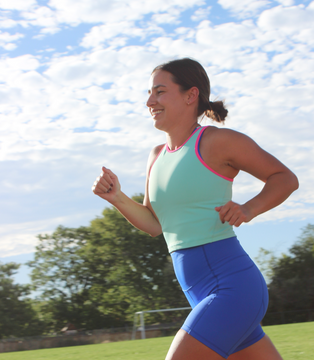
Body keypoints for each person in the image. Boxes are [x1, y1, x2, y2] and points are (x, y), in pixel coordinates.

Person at [92, 58, 298, 360]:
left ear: (191, 95)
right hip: (199, 291)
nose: (150, 101)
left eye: (160, 91)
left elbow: (285, 178)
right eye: (149, 93)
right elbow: (154, 224)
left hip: (233, 288)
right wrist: (117, 198)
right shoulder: (156, 156)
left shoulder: (217, 141)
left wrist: (249, 209)